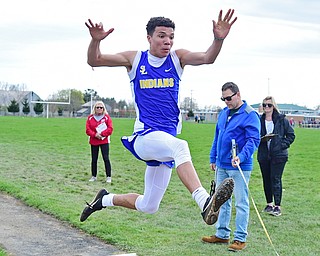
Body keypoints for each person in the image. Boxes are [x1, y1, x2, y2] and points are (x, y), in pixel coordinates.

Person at [80, 10, 237, 227]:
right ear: (149, 38)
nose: (168, 41)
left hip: (165, 142)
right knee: (181, 147)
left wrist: (218, 38)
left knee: (149, 205)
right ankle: (204, 202)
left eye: (171, 37)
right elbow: (95, 60)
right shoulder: (135, 59)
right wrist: (95, 41)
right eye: (162, 36)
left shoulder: (177, 58)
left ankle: (103, 199)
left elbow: (207, 58)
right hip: (145, 136)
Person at [202, 82, 260, 252]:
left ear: (238, 94)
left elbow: (253, 140)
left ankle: (240, 238)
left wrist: (241, 157)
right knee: (221, 201)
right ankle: (222, 234)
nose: (226, 101)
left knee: (241, 202)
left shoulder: (250, 115)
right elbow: (217, 136)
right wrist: (213, 157)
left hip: (239, 166)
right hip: (221, 165)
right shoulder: (223, 113)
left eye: (229, 98)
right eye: (223, 98)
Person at [257, 96, 295, 216]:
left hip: (278, 155)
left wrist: (281, 145)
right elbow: (254, 135)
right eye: (264, 105)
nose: (266, 107)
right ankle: (269, 204)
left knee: (275, 179)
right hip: (264, 154)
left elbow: (291, 135)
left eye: (269, 105)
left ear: (273, 106)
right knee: (266, 179)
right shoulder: (259, 120)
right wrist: (261, 140)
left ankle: (277, 206)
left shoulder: (281, 120)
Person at [86, 101, 113, 183]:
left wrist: (102, 134)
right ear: (95, 108)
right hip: (94, 141)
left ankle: (108, 177)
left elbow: (110, 129)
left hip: (104, 141)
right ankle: (94, 176)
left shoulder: (107, 117)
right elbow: (88, 130)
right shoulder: (90, 117)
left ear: (103, 108)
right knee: (94, 159)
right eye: (97, 107)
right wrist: (95, 134)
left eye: (101, 107)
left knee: (106, 158)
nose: (99, 109)